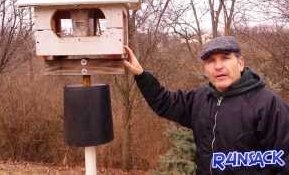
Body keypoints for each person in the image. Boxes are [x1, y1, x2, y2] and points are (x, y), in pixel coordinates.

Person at [123, 36, 289, 175]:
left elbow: (284, 161)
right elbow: (164, 102)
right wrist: (141, 74)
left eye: (225, 58)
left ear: (240, 63)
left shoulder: (268, 104)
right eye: (210, 61)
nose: (218, 66)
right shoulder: (200, 98)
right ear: (205, 69)